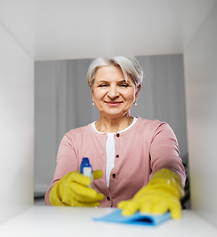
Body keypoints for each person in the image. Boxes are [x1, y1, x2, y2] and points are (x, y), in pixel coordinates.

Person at [44, 56, 186, 219]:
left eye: (123, 85)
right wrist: (60, 192)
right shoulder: (72, 139)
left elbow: (170, 166)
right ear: (92, 90)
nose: (112, 94)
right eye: (103, 85)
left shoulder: (157, 131)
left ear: (137, 91)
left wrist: (165, 184)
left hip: (140, 230)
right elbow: (51, 198)